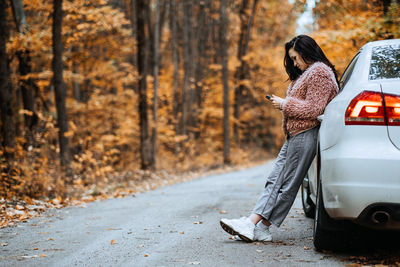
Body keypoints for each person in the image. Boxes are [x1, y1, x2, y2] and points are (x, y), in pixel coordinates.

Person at [220, 35, 339, 242]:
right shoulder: (310, 73)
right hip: (295, 136)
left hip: (305, 134)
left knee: (282, 183)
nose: (294, 63)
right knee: (277, 180)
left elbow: (314, 109)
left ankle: (251, 223)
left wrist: (284, 104)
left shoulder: (319, 71)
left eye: (295, 58)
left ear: (306, 52)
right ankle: (261, 228)